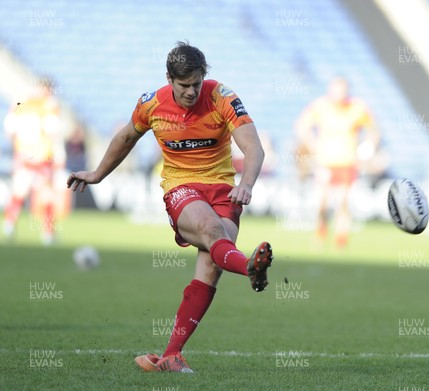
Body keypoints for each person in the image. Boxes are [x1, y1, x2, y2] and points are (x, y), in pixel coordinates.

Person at [67, 41, 274, 373]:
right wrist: (97, 174)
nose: (191, 91)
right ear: (169, 79)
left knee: (212, 266)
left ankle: (170, 355)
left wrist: (246, 184)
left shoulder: (221, 96)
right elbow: (125, 139)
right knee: (212, 230)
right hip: (182, 187)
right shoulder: (151, 104)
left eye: (196, 83)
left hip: (224, 189)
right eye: (183, 85)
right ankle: (250, 266)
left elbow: (253, 147)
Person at [295, 77, 380, 248]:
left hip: (347, 162)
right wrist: (312, 144)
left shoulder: (357, 107)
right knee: (322, 202)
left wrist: (368, 147)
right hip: (324, 162)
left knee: (343, 202)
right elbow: (301, 126)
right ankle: (321, 232)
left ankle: (341, 240)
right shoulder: (320, 106)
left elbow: (373, 130)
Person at [3, 78, 66, 245]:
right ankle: (48, 234)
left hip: (24, 156)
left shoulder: (20, 104)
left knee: (19, 193)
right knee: (46, 196)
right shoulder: (50, 106)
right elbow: (53, 132)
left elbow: (9, 130)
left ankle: (9, 225)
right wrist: (59, 156)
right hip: (42, 157)